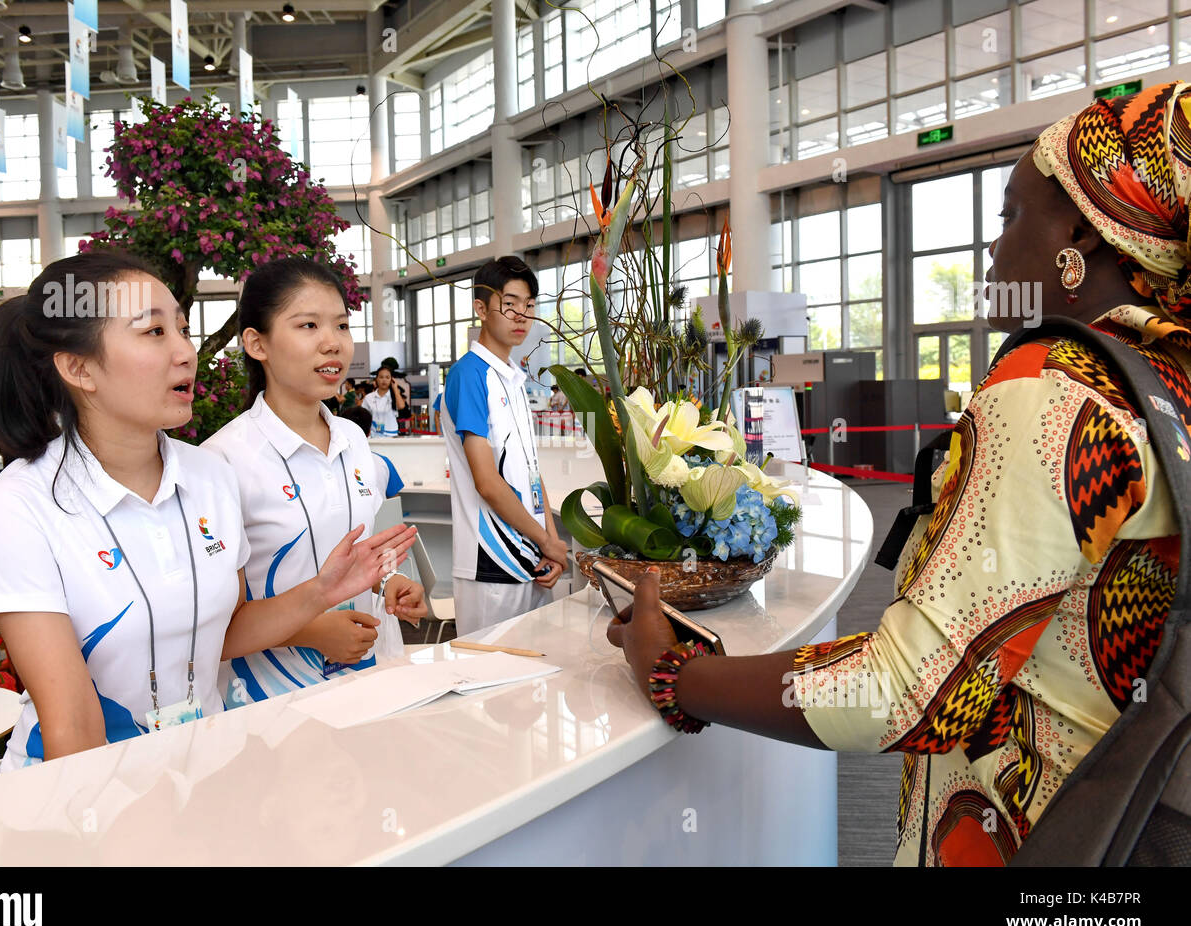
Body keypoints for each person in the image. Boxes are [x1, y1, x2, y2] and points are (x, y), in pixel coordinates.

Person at [606, 81, 1191, 866]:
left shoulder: (1053, 386)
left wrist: (674, 673)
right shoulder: (1168, 383)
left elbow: (905, 690)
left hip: (1034, 830)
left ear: (1082, 239)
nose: (992, 249)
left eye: (1012, 215)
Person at [0, 252, 415, 772]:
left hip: (204, 776)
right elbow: (72, 726)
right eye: (154, 333)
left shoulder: (209, 477)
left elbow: (225, 633)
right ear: (79, 368)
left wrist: (322, 592)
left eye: (182, 328)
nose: (185, 352)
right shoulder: (22, 505)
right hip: (80, 803)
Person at [203, 258, 426, 705]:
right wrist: (312, 631)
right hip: (275, 697)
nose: (333, 343)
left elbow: (358, 555)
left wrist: (391, 581)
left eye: (342, 326)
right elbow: (215, 626)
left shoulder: (353, 440)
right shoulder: (222, 461)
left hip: (373, 678)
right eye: (308, 325)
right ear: (256, 343)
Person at [434, 255, 568, 636]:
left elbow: (530, 472)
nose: (521, 315)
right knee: (489, 683)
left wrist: (551, 543)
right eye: (509, 304)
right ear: (481, 308)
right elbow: (487, 482)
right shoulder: (469, 376)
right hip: (491, 563)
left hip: (533, 560)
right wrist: (546, 540)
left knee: (535, 684)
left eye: (528, 305)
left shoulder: (513, 379)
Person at [339, 405, 406, 499]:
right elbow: (394, 502)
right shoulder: (383, 462)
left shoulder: (330, 463)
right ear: (369, 432)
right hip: (381, 514)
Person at [362, 364, 405, 437]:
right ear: (376, 379)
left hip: (392, 435)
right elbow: (364, 417)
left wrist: (395, 389)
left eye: (387, 377)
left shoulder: (395, 396)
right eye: (381, 377)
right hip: (373, 435)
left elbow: (401, 406)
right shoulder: (369, 397)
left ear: (391, 380)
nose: (384, 380)